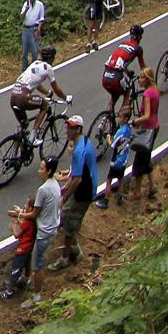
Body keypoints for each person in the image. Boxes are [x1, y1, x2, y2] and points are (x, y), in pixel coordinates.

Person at [52, 116, 97, 270]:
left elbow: (77, 179)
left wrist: (65, 197)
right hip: (86, 185)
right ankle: (75, 248)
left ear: (78, 129)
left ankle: (65, 258)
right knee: (67, 217)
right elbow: (75, 174)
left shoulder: (79, 150)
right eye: (67, 127)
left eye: (71, 128)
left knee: (69, 222)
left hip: (84, 190)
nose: (68, 130)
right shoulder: (83, 141)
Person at [10, 47, 67, 149]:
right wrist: (66, 98)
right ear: (51, 58)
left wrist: (47, 92)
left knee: (24, 124)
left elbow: (37, 84)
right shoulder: (48, 68)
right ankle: (33, 137)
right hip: (23, 98)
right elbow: (57, 89)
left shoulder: (35, 63)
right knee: (45, 105)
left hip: (13, 97)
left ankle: (16, 153)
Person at [27, 157, 63, 305]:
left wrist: (20, 214)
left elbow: (34, 214)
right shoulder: (55, 184)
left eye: (42, 168)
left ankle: (36, 296)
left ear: (48, 171)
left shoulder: (42, 190)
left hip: (44, 232)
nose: (39, 171)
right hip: (52, 227)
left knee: (38, 265)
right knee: (38, 261)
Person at [101, 26, 145, 118]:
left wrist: (128, 72)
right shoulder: (138, 48)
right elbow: (143, 67)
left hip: (105, 75)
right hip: (116, 77)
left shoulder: (122, 44)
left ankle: (105, 119)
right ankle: (122, 119)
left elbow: (119, 62)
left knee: (115, 94)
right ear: (139, 37)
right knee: (127, 91)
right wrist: (149, 79)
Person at [130, 70, 160, 202]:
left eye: (142, 78)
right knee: (146, 158)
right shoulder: (155, 90)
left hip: (147, 130)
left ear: (147, 79)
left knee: (139, 161)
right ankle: (152, 186)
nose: (139, 80)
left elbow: (147, 115)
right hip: (155, 126)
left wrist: (135, 121)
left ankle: (137, 192)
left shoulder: (147, 94)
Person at [0, 200, 38, 300]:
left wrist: (14, 222)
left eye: (26, 205)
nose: (24, 206)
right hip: (29, 247)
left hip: (23, 249)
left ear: (30, 209)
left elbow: (17, 234)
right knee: (26, 263)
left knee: (16, 269)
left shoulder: (27, 222)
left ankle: (9, 291)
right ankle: (27, 279)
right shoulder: (33, 220)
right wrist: (20, 213)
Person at [101, 118, 135, 208]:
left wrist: (108, 138)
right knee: (120, 180)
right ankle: (120, 198)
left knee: (109, 180)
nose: (118, 119)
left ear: (124, 119)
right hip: (124, 160)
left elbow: (113, 145)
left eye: (120, 117)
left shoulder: (120, 132)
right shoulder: (129, 129)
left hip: (116, 160)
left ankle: (105, 201)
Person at [18, 0, 47, 68]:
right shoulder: (26, 4)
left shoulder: (40, 5)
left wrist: (38, 30)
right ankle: (25, 69)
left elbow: (41, 19)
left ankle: (34, 68)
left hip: (34, 28)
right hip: (25, 29)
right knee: (24, 52)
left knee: (35, 51)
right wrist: (26, 10)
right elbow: (21, 17)